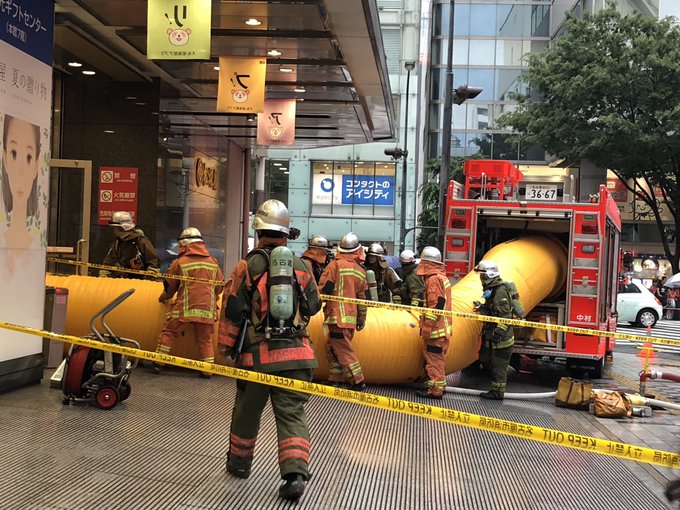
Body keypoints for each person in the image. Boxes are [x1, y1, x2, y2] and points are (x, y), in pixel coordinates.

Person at [217, 199, 321, 502]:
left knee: (246, 413)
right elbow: (313, 306)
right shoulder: (301, 267)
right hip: (299, 355)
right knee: (292, 415)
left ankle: (238, 465)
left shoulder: (246, 266)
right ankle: (295, 474)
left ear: (258, 230)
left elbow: (233, 312)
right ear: (287, 233)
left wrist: (225, 351)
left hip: (258, 359)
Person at [151, 227, 224, 378]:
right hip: (207, 309)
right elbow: (219, 286)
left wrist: (164, 296)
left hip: (185, 308)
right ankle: (208, 370)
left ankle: (158, 363)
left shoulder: (180, 262)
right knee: (205, 339)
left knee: (169, 332)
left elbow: (170, 286)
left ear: (184, 244)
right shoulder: (213, 262)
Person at [319, 231, 369, 391]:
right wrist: (361, 320)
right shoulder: (361, 271)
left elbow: (325, 288)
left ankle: (358, 381)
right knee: (332, 348)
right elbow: (362, 301)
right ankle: (335, 378)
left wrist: (315, 302)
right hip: (350, 319)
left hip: (336, 317)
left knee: (343, 350)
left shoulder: (334, 266)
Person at [473, 259, 514, 400]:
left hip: (501, 339)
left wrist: (498, 333)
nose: (481, 278)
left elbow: (505, 316)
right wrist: (482, 308)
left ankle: (498, 393)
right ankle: (495, 389)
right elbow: (493, 311)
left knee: (499, 367)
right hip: (492, 336)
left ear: (489, 275)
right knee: (488, 361)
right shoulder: (492, 290)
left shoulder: (499, 292)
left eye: (482, 275)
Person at [415, 246, 452, 400]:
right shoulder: (442, 277)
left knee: (434, 361)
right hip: (444, 328)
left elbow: (436, 304)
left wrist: (428, 326)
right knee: (438, 360)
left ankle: (435, 391)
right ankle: (440, 387)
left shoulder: (433, 279)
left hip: (436, 330)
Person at [1, 114, 41, 251]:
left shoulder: (38, 251)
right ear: (5, 159)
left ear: (36, 166)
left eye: (28, 157)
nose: (20, 171)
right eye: (14, 154)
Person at [99, 211, 160, 278]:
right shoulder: (118, 243)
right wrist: (103, 276)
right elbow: (108, 262)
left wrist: (150, 277)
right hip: (120, 281)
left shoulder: (141, 241)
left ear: (122, 228)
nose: (114, 230)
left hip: (139, 282)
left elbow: (153, 261)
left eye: (116, 227)